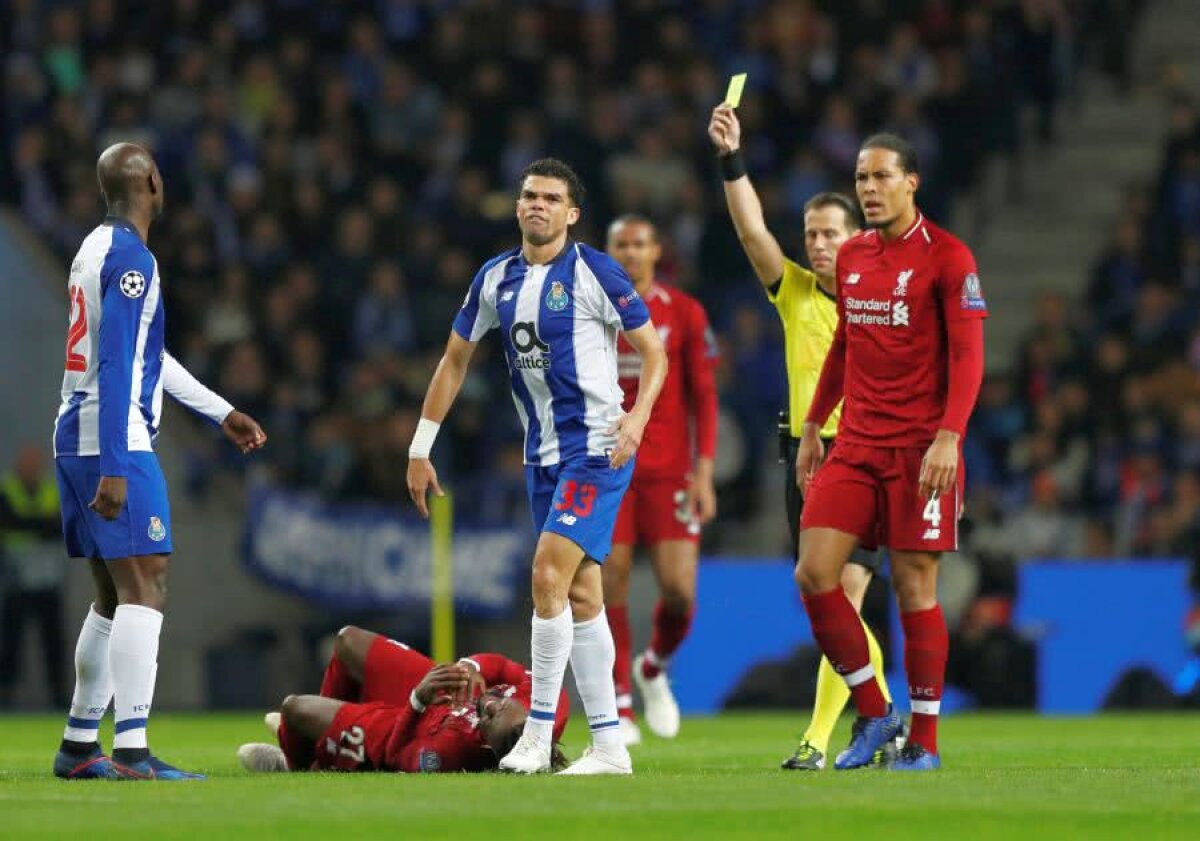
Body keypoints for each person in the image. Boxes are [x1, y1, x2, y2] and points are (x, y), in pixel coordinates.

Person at [406, 158, 667, 775]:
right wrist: (420, 446)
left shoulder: (595, 271)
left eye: (551, 198)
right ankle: (609, 748)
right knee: (581, 594)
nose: (537, 205)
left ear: (572, 213)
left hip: (596, 450)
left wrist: (638, 419)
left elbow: (654, 353)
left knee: (547, 575)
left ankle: (538, 732)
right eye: (530, 195)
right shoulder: (495, 277)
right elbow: (453, 360)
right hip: (541, 457)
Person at [51, 143, 268, 780]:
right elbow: (119, 362)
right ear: (149, 180)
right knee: (148, 582)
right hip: (111, 437)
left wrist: (219, 411)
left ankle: (79, 745)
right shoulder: (131, 259)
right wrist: (117, 464)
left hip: (77, 432)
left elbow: (144, 355)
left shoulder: (93, 248)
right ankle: (133, 751)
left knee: (112, 593)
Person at [708, 104, 896, 771]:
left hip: (864, 457)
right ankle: (881, 714)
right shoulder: (795, 293)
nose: (816, 245)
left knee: (845, 593)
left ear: (857, 238)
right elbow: (751, 229)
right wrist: (732, 159)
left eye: (829, 234)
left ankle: (818, 740)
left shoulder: (884, 298)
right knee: (830, 604)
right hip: (804, 459)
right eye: (811, 234)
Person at [795, 133, 987, 771]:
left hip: (920, 449)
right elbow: (844, 347)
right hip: (856, 444)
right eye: (861, 178)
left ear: (912, 182)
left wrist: (949, 436)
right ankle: (876, 712)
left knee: (914, 586)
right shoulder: (853, 255)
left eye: (881, 177)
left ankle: (924, 743)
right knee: (814, 574)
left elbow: (969, 357)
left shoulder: (949, 258)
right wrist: (814, 425)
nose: (869, 189)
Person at [603, 215, 718, 745]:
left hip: (670, 470)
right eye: (620, 245)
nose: (630, 253)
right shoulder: (590, 310)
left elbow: (704, 395)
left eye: (639, 244)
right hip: (608, 466)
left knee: (679, 593)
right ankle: (619, 703)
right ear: (607, 253)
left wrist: (704, 472)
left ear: (656, 252)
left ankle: (653, 666)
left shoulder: (685, 311)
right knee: (611, 581)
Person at [236, 626, 570, 774]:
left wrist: (417, 701)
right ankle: (316, 746)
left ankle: (296, 762)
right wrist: (471, 666)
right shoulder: (552, 702)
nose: (490, 704)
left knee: (295, 709)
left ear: (487, 746)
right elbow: (504, 667)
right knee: (347, 639)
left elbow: (397, 754)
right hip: (441, 692)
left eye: (487, 720)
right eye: (502, 707)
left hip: (409, 724)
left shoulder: (450, 754)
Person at [0, 444, 66, 707]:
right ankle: (6, 695)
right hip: (16, 578)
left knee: (53, 639)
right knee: (11, 640)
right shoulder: (7, 489)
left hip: (48, 578)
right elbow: (8, 521)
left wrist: (28, 524)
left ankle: (58, 696)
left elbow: (63, 525)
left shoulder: (52, 489)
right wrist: (43, 524)